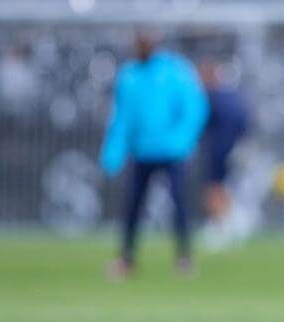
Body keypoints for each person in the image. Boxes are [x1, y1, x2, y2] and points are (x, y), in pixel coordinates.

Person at [100, 31, 208, 277]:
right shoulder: (128, 77)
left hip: (172, 152)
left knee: (179, 204)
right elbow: (121, 118)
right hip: (141, 152)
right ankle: (126, 259)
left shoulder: (175, 71)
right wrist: (113, 153)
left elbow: (194, 107)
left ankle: (184, 258)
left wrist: (183, 141)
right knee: (133, 206)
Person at [198, 58, 249, 249]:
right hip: (231, 148)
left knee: (214, 187)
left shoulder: (210, 98)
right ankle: (226, 224)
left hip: (217, 149)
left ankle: (219, 226)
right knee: (223, 186)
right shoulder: (232, 97)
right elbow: (243, 122)